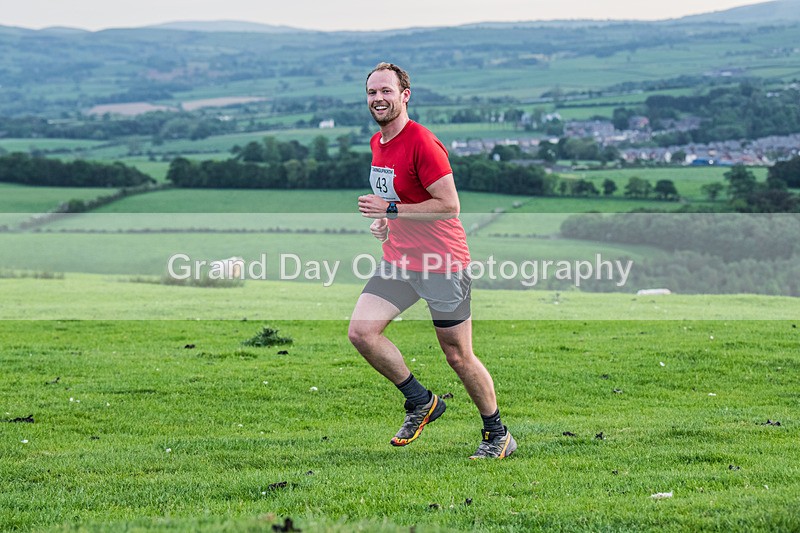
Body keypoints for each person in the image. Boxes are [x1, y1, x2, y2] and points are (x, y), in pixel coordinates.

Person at [348, 62, 516, 459]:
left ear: (405, 95)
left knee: (457, 355)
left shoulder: (423, 142)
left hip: (443, 264)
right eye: (372, 93)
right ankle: (421, 401)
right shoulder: (378, 143)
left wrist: (389, 209)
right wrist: (386, 225)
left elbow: (448, 205)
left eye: (386, 91)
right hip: (400, 262)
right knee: (361, 332)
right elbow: (402, 202)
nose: (378, 99)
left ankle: (498, 435)